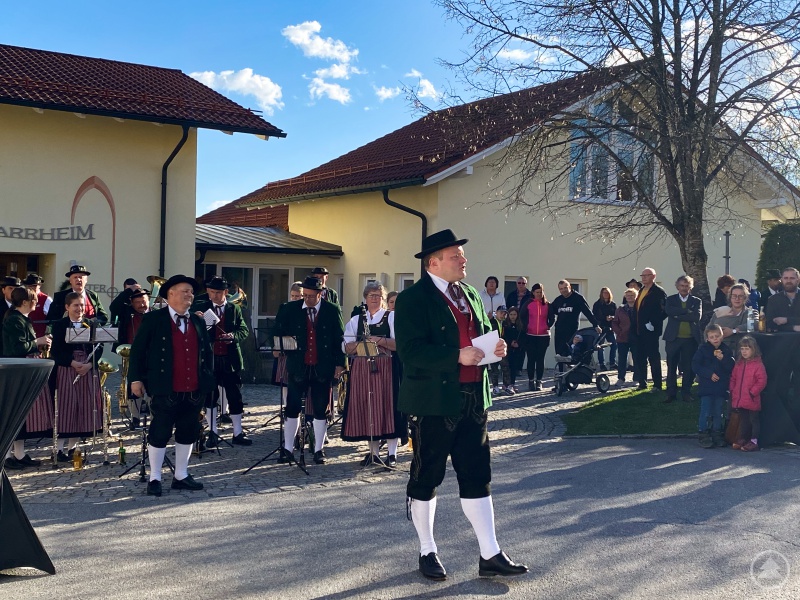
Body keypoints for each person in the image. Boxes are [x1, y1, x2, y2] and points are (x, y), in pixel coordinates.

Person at [395, 228, 527, 581]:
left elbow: (481, 334)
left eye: (461, 255)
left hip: (473, 400)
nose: (463, 260)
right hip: (434, 402)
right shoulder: (413, 299)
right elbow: (410, 351)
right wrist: (457, 356)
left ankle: (490, 553)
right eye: (456, 256)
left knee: (477, 477)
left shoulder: (468, 292)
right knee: (427, 476)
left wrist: (494, 348)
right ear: (433, 262)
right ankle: (427, 550)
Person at [128, 275, 216, 496]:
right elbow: (138, 352)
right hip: (164, 387)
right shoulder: (154, 319)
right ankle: (155, 477)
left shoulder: (197, 321)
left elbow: (206, 353)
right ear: (171, 294)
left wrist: (207, 380)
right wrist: (136, 379)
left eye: (191, 292)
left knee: (188, 431)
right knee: (160, 431)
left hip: (194, 388)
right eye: (185, 291)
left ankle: (181, 475)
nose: (190, 295)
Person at [273, 276, 346, 465]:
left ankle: (319, 450)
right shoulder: (290, 309)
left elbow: (339, 338)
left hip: (323, 366)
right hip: (298, 366)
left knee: (321, 409)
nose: (307, 299)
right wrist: (278, 345)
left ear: (321, 294)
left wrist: (340, 364)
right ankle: (288, 448)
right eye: (305, 295)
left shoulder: (332, 310)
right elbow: (277, 332)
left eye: (312, 296)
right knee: (292, 407)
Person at [341, 282, 402, 466]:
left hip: (387, 368)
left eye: (378, 296)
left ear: (383, 299)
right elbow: (345, 346)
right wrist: (359, 344)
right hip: (363, 369)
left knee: (389, 408)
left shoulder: (391, 317)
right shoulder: (357, 320)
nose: (374, 299)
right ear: (365, 299)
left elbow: (399, 344)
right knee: (369, 408)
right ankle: (373, 452)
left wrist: (378, 340)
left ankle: (392, 454)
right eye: (371, 296)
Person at [192, 276, 252, 447]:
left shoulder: (234, 308)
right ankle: (212, 433)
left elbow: (243, 330)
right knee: (211, 396)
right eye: (211, 292)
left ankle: (238, 433)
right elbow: (195, 332)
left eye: (218, 292)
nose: (214, 296)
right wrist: (197, 319)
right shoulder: (201, 307)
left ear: (226, 292)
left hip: (229, 358)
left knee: (235, 396)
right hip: (210, 359)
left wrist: (232, 337)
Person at [49, 291, 104, 461]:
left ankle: (73, 448)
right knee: (66, 408)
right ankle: (58, 449)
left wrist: (89, 365)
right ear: (67, 307)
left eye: (82, 305)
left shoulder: (90, 324)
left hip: (87, 369)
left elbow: (99, 347)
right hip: (67, 368)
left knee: (83, 407)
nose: (79, 309)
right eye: (76, 305)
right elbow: (55, 350)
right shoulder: (60, 325)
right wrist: (72, 363)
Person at [3, 286, 53, 469]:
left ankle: (19, 453)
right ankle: (7, 455)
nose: (37, 303)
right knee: (15, 412)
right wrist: (37, 342)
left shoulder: (22, 319)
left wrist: (38, 345)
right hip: (17, 372)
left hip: (24, 369)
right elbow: (16, 349)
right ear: (25, 302)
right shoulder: (14, 320)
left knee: (23, 415)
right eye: (34, 300)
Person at [692, 324, 735, 448]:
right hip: (706, 386)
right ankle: (703, 433)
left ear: (721, 336)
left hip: (721, 387)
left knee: (718, 411)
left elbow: (731, 367)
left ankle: (717, 433)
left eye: (717, 336)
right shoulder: (703, 350)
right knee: (705, 411)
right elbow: (696, 365)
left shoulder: (726, 350)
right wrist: (708, 374)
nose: (715, 339)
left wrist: (723, 359)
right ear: (708, 338)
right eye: (712, 337)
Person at [662, 275, 702, 403]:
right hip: (673, 339)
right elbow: (669, 311)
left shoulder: (696, 301)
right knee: (671, 366)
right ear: (677, 286)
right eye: (682, 286)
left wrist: (678, 315)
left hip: (690, 339)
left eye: (687, 286)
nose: (684, 288)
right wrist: (687, 311)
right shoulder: (671, 299)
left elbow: (696, 317)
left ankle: (686, 392)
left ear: (691, 287)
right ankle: (671, 393)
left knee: (688, 368)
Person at [116, 287, 151, 429]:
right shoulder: (127, 314)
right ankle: (135, 417)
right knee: (132, 387)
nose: (141, 305)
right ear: (132, 304)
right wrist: (128, 291)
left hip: (151, 356)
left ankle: (153, 416)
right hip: (132, 356)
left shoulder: (155, 314)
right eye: (137, 302)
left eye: (143, 301)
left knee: (151, 387)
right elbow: (114, 307)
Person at [729, 336, 767, 452]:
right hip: (741, 398)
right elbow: (733, 378)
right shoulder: (739, 364)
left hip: (751, 398)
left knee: (753, 420)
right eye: (742, 349)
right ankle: (743, 438)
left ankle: (754, 441)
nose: (744, 351)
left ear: (753, 349)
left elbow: (762, 380)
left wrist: (752, 392)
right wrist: (732, 389)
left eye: (747, 349)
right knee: (744, 420)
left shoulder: (758, 365)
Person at [633, 268, 667, 391]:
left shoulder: (658, 291)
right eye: (642, 275)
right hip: (639, 330)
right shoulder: (642, 290)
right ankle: (642, 382)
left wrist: (653, 323)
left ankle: (657, 384)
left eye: (646, 275)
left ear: (653, 276)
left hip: (651, 330)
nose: (643, 278)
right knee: (640, 357)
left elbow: (664, 311)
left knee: (653, 357)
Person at [551, 280, 601, 359]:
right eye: (561, 289)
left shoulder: (577, 298)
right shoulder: (558, 300)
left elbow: (587, 312)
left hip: (572, 331)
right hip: (559, 331)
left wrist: (595, 325)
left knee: (570, 354)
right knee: (559, 355)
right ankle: (561, 371)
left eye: (565, 288)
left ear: (570, 287)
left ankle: (572, 371)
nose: (563, 290)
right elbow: (550, 311)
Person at [519, 283, 553, 391]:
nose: (539, 294)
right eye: (537, 292)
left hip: (543, 336)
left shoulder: (547, 304)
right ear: (533, 293)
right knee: (531, 359)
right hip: (530, 335)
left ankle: (539, 381)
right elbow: (521, 316)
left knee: (540, 359)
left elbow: (552, 318)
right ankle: (530, 380)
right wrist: (526, 327)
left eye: (541, 292)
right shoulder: (528, 303)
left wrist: (548, 326)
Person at [709, 283, 750, 350]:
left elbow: (753, 324)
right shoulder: (720, 311)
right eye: (734, 296)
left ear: (745, 298)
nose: (737, 299)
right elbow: (708, 329)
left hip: (741, 350)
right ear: (730, 297)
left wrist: (733, 331)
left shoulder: (750, 312)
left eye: (740, 296)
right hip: (719, 349)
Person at [612, 288, 638, 387]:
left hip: (636, 337)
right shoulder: (620, 309)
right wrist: (619, 332)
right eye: (628, 296)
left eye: (632, 295)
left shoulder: (639, 308)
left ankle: (636, 379)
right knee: (622, 359)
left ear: (636, 296)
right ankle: (621, 378)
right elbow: (615, 323)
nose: (630, 297)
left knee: (636, 358)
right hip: (623, 337)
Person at [766, 268, 800, 332]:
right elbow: (770, 324)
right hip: (780, 340)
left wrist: (786, 320)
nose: (788, 281)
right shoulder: (773, 300)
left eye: (792, 278)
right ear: (782, 280)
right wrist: (793, 327)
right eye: (786, 278)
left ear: (798, 280)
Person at [488, 305, 512, 396]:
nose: (503, 315)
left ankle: (507, 386)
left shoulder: (505, 323)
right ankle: (495, 387)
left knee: (505, 368)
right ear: (496, 312)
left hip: (502, 349)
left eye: (505, 313)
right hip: (493, 349)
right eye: (501, 312)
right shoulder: (491, 322)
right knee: (494, 369)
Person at [592, 287, 617, 370]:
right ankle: (602, 364)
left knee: (614, 345)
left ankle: (612, 363)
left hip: (610, 328)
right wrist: (604, 318)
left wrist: (612, 318)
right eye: (604, 293)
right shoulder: (597, 304)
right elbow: (595, 316)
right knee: (600, 346)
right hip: (601, 328)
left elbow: (616, 315)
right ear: (601, 294)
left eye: (607, 293)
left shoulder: (612, 304)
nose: (606, 294)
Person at [502, 307, 524, 393]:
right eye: (511, 314)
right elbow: (504, 336)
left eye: (514, 314)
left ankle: (512, 384)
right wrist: (510, 342)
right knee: (507, 367)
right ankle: (506, 384)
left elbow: (523, 336)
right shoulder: (505, 324)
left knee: (514, 367)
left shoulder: (520, 325)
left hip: (517, 348)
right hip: (508, 348)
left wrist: (518, 344)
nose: (513, 316)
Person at [23, 273, 51, 338]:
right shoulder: (23, 298)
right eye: (30, 286)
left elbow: (51, 319)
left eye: (35, 286)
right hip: (25, 335)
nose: (33, 288)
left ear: (39, 285)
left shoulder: (46, 299)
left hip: (41, 337)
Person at [0, 276, 21, 354]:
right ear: (3, 290)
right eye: (10, 288)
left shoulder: (23, 306)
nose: (13, 291)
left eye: (16, 289)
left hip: (18, 351)